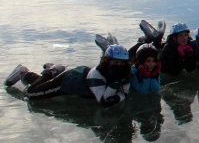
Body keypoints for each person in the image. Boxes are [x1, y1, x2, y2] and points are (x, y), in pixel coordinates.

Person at [4, 44, 132, 107]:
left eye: (121, 63)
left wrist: (117, 99)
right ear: (108, 61)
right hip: (68, 82)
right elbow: (104, 100)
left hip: (80, 81)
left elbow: (124, 93)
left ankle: (50, 70)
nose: (119, 65)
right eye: (115, 62)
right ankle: (27, 72)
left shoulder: (125, 73)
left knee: (43, 87)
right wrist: (114, 83)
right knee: (32, 94)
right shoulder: (97, 74)